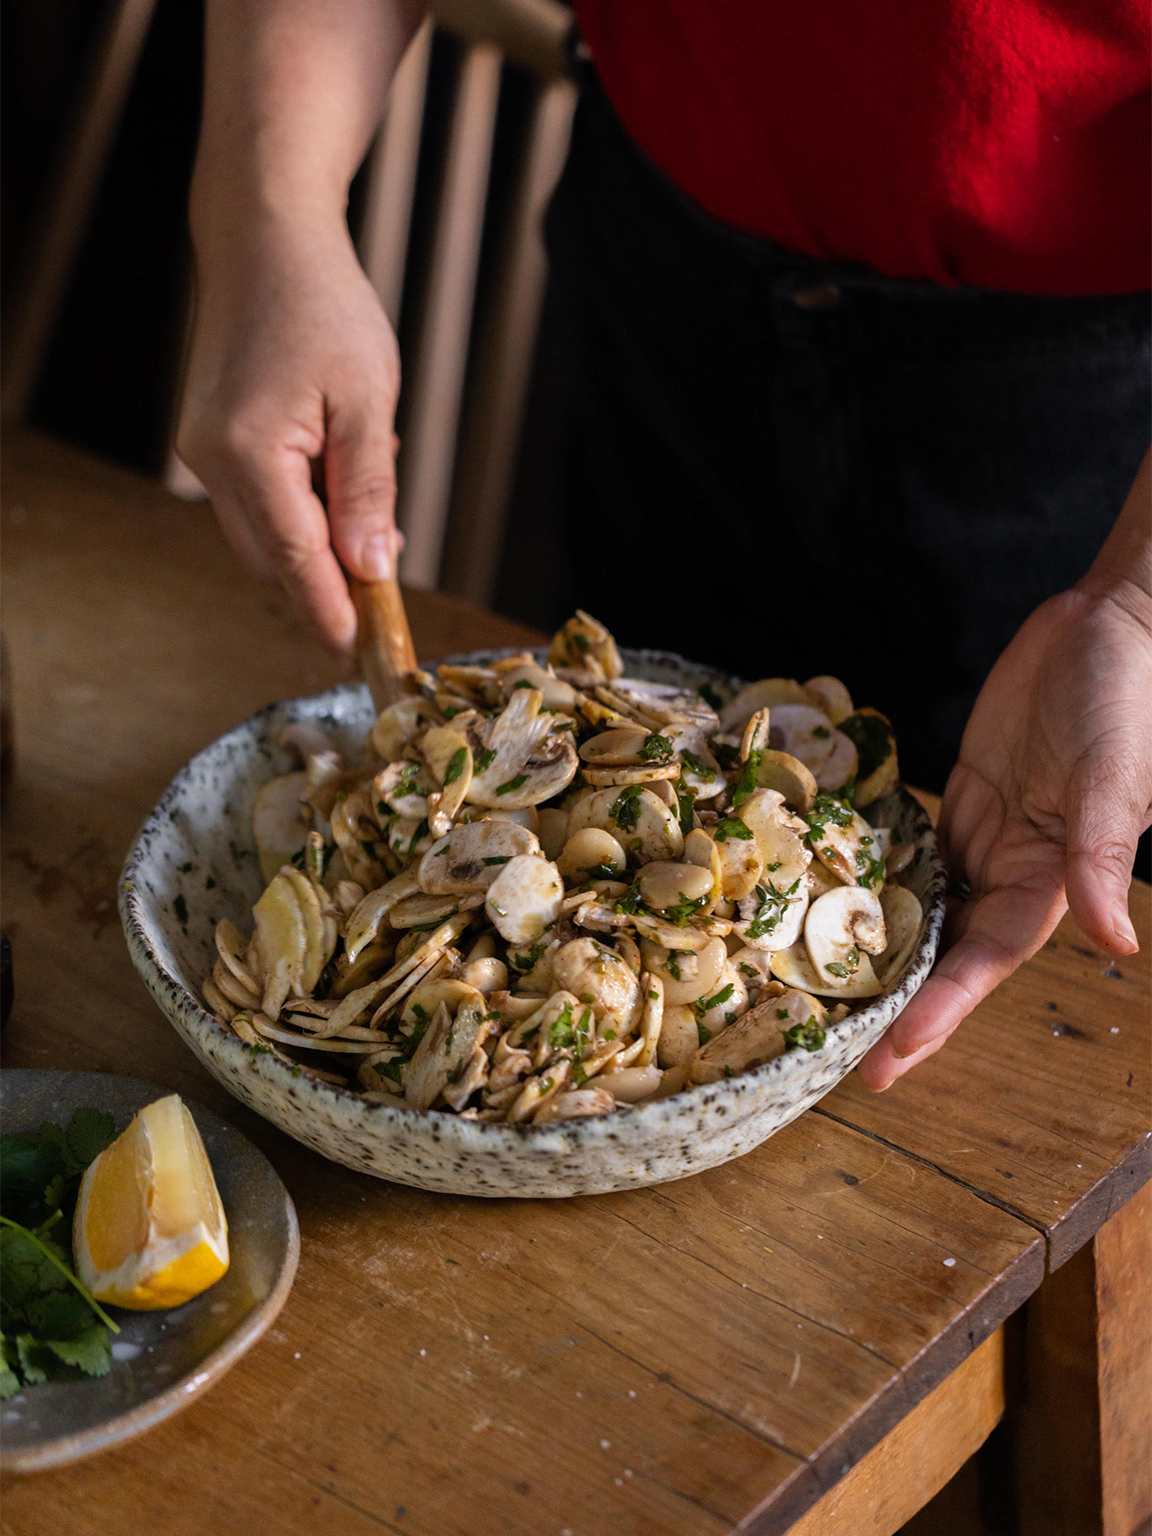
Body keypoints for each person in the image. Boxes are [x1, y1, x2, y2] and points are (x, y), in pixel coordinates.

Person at [177, 1, 1152, 1093]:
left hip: (1100, 404)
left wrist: (1140, 603)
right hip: (664, 260)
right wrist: (272, 209)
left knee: (1037, 1069)